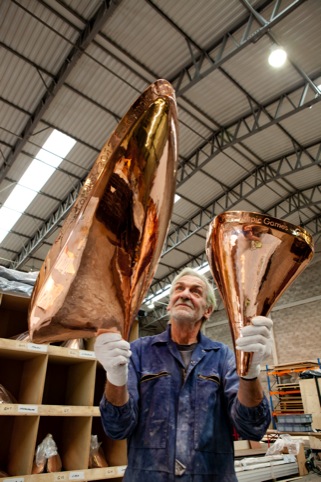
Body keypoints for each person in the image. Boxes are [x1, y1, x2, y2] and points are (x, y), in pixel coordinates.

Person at [94, 267, 272, 481]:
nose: (185, 294)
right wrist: (115, 376)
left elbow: (252, 428)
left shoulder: (223, 356)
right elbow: (117, 428)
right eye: (179, 288)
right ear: (169, 305)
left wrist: (250, 373)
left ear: (207, 310)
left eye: (196, 291)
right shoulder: (139, 351)